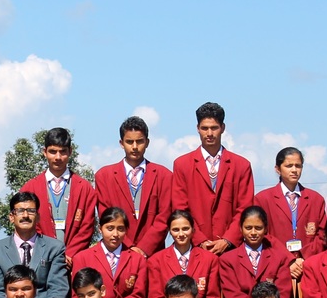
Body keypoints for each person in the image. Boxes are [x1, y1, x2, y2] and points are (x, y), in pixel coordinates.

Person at [171, 102, 255, 254]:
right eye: (204, 128)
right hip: (194, 248)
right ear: (197, 128)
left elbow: (245, 208)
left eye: (214, 128)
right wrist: (199, 239)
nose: (209, 133)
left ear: (223, 128)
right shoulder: (182, 165)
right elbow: (180, 208)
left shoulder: (241, 165)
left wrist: (227, 239)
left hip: (232, 250)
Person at [94, 115, 174, 258]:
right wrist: (129, 248)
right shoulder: (104, 176)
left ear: (147, 142)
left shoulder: (164, 175)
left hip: (154, 255)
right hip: (118, 253)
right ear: (121, 143)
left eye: (140, 141)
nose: (135, 147)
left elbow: (164, 216)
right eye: (130, 142)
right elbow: (105, 215)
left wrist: (143, 248)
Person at [70, 207, 148, 298]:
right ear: (100, 229)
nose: (115, 234)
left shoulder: (137, 259)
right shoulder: (82, 257)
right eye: (110, 228)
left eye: (120, 229)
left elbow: (139, 295)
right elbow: (77, 295)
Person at [19, 127, 97, 264]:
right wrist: (50, 254)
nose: (58, 157)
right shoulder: (30, 188)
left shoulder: (85, 188)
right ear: (44, 152)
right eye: (53, 152)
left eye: (63, 152)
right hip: (40, 261)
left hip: (73, 262)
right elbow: (27, 226)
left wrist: (69, 255)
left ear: (70, 151)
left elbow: (87, 227)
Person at [0, 192, 69, 298]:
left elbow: (58, 291)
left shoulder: (55, 248)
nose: (25, 215)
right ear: (11, 217)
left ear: (38, 216)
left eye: (31, 211)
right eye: (20, 211)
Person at [218, 206, 296, 298]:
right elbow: (233, 295)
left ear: (265, 229)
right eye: (248, 228)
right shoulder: (227, 259)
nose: (253, 233)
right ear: (241, 229)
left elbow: (283, 292)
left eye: (258, 228)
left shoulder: (279, 258)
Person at [254, 147, 326, 268]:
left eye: (298, 166)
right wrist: (288, 259)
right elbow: (262, 234)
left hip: (308, 265)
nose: (294, 170)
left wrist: (304, 258)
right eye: (289, 166)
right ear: (277, 169)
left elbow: (323, 234)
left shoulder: (316, 199)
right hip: (276, 265)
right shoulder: (263, 199)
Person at [147, 209, 221, 298]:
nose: (181, 234)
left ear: (193, 230)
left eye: (185, 229)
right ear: (169, 231)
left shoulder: (210, 259)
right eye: (176, 230)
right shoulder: (156, 261)